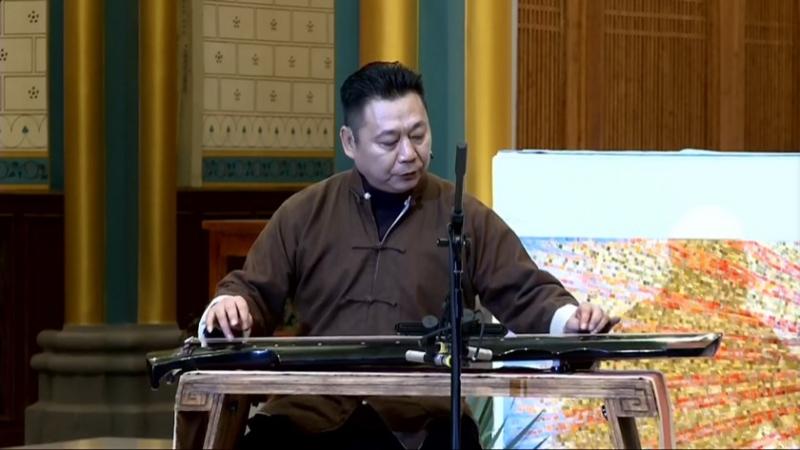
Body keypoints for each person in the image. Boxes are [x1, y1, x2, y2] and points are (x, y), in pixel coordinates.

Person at [199, 61, 618, 449]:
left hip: (424, 420)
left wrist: (570, 320)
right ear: (350, 142)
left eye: (418, 134)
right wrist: (231, 306)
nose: (409, 153)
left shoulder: (461, 215)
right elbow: (251, 289)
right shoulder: (306, 212)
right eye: (389, 140)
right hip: (313, 416)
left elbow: (525, 290)